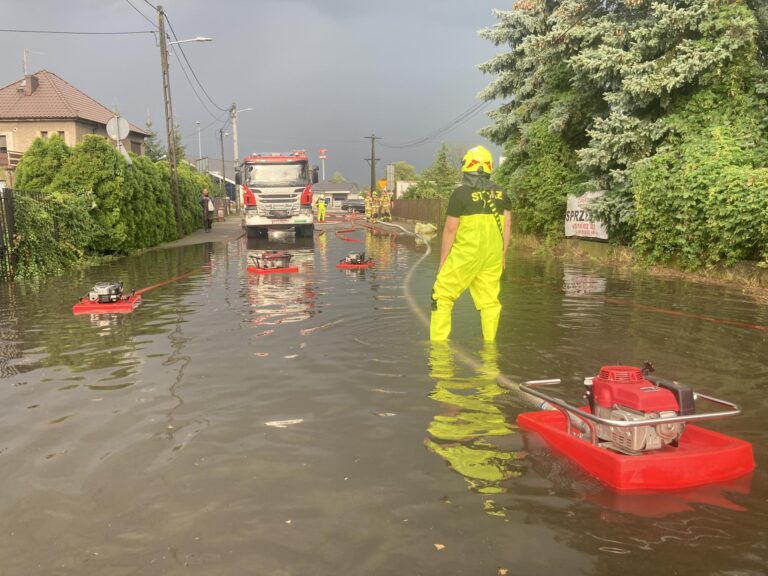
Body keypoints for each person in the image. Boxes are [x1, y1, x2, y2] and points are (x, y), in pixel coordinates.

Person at [430, 145, 511, 341]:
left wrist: (443, 261)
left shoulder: (460, 194)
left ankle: (439, 352)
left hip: (465, 255)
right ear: (489, 166)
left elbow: (450, 229)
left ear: (467, 166)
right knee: (490, 303)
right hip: (492, 257)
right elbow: (507, 225)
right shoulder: (502, 193)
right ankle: (490, 351)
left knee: (442, 296)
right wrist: (502, 256)